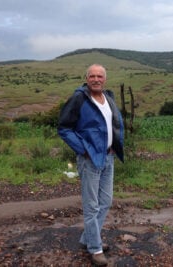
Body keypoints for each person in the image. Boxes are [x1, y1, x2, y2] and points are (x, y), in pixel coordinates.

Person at [58, 64, 124, 266]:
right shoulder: (79, 98)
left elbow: (113, 125)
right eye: (92, 76)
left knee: (106, 201)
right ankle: (95, 249)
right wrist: (83, 149)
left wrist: (115, 145)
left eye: (100, 76)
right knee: (91, 205)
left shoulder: (109, 98)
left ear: (105, 79)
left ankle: (87, 238)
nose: (96, 79)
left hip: (108, 157)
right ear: (86, 78)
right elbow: (64, 128)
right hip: (89, 159)